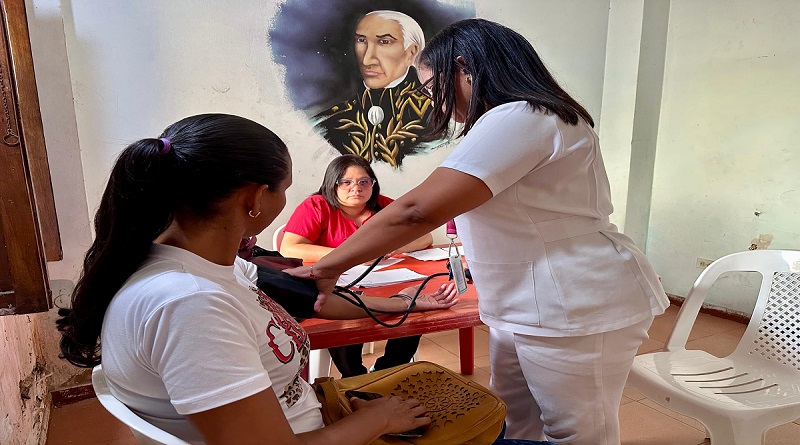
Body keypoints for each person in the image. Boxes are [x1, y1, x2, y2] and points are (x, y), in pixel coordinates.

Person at [287, 19, 670, 445]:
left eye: (431, 87)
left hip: (574, 301)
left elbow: (416, 211)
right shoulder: (510, 121)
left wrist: (329, 266)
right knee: (513, 417)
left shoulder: (525, 116)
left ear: (463, 68)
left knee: (577, 431)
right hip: (523, 300)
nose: (432, 101)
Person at [54, 114, 463, 445]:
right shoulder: (190, 305)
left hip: (312, 417)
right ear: (253, 198)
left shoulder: (209, 266)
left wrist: (407, 303)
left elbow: (314, 298)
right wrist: (378, 420)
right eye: (283, 189)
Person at [280, 154, 433, 377]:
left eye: (364, 181)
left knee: (412, 309)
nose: (356, 188)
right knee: (344, 316)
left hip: (384, 282)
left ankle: (386, 371)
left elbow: (425, 237)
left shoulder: (384, 206)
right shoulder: (316, 206)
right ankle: (354, 377)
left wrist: (396, 246)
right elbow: (289, 248)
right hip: (337, 285)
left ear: (373, 184)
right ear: (332, 184)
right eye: (346, 182)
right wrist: (348, 256)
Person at [312, 10, 441, 168]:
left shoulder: (441, 120)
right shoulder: (325, 125)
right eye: (361, 40)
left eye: (384, 42)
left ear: (411, 53)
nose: (367, 60)